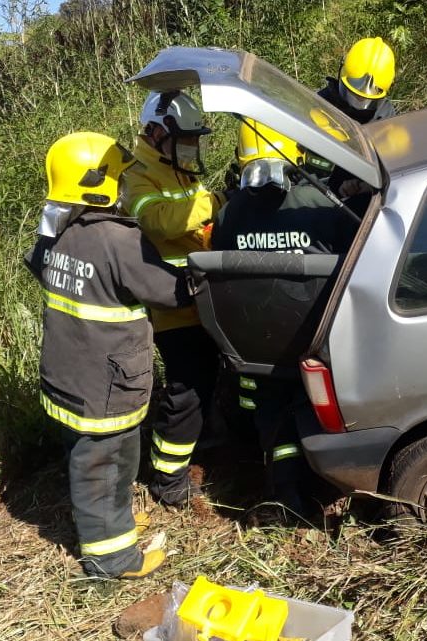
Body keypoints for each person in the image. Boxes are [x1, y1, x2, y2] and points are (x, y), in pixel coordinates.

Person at [24, 131, 191, 579]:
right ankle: (111, 558)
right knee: (102, 465)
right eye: (117, 177)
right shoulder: (118, 240)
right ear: (96, 184)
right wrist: (198, 275)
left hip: (68, 377)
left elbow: (37, 264)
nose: (122, 185)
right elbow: (169, 291)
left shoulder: (56, 232)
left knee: (103, 459)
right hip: (107, 384)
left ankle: (115, 526)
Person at [210, 118, 358, 518]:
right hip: (318, 334)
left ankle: (286, 493)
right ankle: (328, 485)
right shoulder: (322, 204)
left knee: (272, 415)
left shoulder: (229, 215)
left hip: (258, 339)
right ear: (292, 153)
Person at [121, 90, 226, 507]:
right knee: (187, 389)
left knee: (206, 380)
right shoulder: (137, 174)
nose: (194, 146)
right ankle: (168, 479)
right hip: (171, 302)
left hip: (199, 295)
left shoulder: (178, 167)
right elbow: (160, 222)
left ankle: (201, 447)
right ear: (158, 131)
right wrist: (217, 202)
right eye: (187, 137)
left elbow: (194, 224)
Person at [317, 36, 397, 125]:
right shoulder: (322, 102)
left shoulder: (387, 118)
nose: (358, 101)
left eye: (365, 98)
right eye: (353, 94)